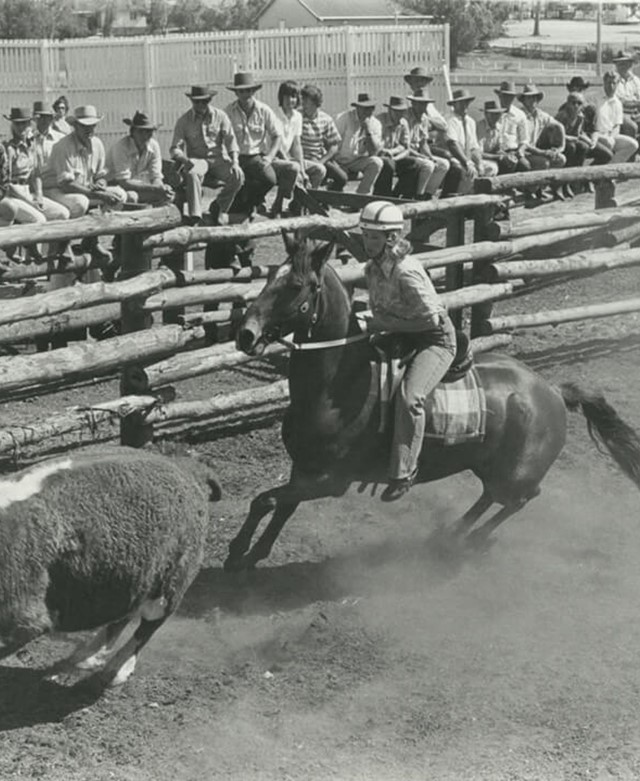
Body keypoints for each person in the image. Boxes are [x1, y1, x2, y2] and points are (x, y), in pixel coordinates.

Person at [359, 200, 456, 501]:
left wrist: (383, 325)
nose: (367, 242)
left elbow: (431, 320)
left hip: (433, 340)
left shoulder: (406, 271)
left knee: (410, 397)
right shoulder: (372, 269)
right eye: (365, 235)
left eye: (374, 237)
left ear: (391, 238)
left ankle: (405, 471)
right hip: (400, 334)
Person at [42, 105, 127, 260]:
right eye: (85, 126)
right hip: (54, 190)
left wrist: (101, 184)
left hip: (83, 189)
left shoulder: (97, 144)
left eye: (92, 125)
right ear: (75, 126)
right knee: (80, 202)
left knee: (120, 195)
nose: (89, 129)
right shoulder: (63, 146)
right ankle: (63, 243)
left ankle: (91, 241)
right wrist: (97, 194)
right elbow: (65, 184)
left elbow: (101, 175)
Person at [2, 106, 69, 260]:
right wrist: (29, 202)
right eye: (17, 124)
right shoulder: (8, 148)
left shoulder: (32, 145)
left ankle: (54, 253)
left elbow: (36, 174)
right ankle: (31, 251)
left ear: (30, 124)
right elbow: (7, 183)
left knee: (62, 213)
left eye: (25, 123)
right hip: (12, 194)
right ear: (12, 125)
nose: (21, 128)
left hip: (28, 191)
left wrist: (38, 195)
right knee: (38, 219)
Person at [170, 85, 243, 226]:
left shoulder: (220, 116)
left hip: (219, 159)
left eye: (204, 101)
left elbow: (231, 141)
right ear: (192, 101)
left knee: (238, 176)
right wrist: (185, 160)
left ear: (209, 100)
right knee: (192, 173)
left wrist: (235, 162)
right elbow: (175, 148)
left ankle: (219, 207)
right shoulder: (184, 121)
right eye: (196, 101)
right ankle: (195, 217)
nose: (200, 105)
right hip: (199, 161)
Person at [225, 71, 282, 216]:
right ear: (236, 93)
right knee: (235, 180)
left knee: (270, 179)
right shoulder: (228, 112)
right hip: (236, 157)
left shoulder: (264, 110)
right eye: (242, 91)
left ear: (254, 91)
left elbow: (277, 136)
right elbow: (222, 138)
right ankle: (239, 206)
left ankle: (249, 203)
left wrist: (269, 157)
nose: (246, 94)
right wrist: (230, 160)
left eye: (249, 90)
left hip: (257, 157)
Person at [107, 111, 174, 205]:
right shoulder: (121, 147)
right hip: (113, 188)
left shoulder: (154, 146)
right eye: (140, 131)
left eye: (149, 131)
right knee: (132, 197)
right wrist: (155, 188)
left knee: (167, 195)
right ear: (132, 132)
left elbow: (156, 176)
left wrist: (163, 188)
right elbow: (123, 182)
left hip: (136, 186)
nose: (145, 135)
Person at [518, 83, 566, 203]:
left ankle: (541, 187)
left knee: (560, 159)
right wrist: (543, 152)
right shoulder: (519, 115)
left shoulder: (540, 114)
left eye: (535, 97)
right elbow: (524, 144)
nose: (533, 100)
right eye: (529, 97)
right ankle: (530, 191)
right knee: (543, 162)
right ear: (524, 100)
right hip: (522, 152)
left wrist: (560, 147)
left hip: (535, 151)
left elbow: (559, 125)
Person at [445, 88, 498, 193]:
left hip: (467, 158)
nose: (465, 105)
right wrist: (467, 162)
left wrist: (479, 163)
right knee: (467, 172)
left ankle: (479, 194)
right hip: (454, 157)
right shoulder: (450, 120)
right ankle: (461, 195)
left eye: (467, 102)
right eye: (461, 103)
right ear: (454, 105)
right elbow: (453, 145)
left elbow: (474, 147)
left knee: (491, 168)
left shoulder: (470, 122)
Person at [401, 90, 450, 198]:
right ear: (413, 103)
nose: (422, 107)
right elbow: (405, 146)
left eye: (425, 104)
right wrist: (424, 157)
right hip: (404, 153)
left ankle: (428, 194)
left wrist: (430, 156)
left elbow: (423, 143)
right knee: (428, 165)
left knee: (443, 164)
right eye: (420, 104)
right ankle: (419, 195)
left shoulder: (424, 118)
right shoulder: (405, 118)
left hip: (416, 152)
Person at [332, 93, 384, 195]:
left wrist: (368, 131)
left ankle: (362, 195)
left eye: (371, 108)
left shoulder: (375, 124)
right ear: (357, 108)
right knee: (339, 179)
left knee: (377, 162)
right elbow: (331, 144)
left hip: (357, 161)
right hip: (338, 161)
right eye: (365, 108)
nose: (368, 111)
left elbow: (373, 152)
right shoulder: (343, 118)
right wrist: (336, 165)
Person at [271, 80, 306, 217]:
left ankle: (298, 204)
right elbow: (277, 145)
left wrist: (303, 169)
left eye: (293, 97)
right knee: (292, 168)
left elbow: (297, 144)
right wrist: (292, 163)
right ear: (281, 98)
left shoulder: (298, 117)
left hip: (288, 158)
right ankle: (278, 204)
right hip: (273, 158)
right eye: (286, 96)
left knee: (319, 170)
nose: (290, 100)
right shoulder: (274, 115)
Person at [299, 84, 341, 190]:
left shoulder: (325, 119)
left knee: (341, 178)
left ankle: (325, 195)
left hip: (317, 159)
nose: (303, 104)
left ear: (315, 103)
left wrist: (322, 160)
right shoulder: (297, 116)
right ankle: (310, 195)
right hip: (300, 159)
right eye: (302, 100)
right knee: (318, 171)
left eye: (306, 101)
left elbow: (334, 145)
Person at [596, 71, 639, 163]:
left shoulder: (618, 103)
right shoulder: (595, 99)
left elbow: (617, 125)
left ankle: (610, 168)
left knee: (633, 145)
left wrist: (612, 136)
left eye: (614, 83)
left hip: (611, 135)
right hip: (596, 135)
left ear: (617, 84)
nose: (611, 86)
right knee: (608, 143)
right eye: (608, 83)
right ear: (604, 83)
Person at [494, 80, 529, 171]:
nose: (507, 99)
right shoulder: (493, 113)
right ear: (499, 96)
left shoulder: (520, 115)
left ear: (513, 98)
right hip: (498, 152)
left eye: (510, 96)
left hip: (514, 151)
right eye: (504, 96)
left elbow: (524, 140)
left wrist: (520, 151)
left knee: (525, 166)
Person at [478, 100, 519, 175]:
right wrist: (498, 157)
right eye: (493, 114)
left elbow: (498, 148)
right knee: (492, 168)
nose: (496, 117)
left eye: (498, 114)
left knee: (510, 162)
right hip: (479, 159)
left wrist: (507, 156)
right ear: (486, 114)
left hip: (490, 157)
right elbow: (478, 154)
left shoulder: (498, 127)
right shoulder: (480, 128)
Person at [612, 50, 640, 141]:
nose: (622, 66)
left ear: (630, 64)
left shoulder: (636, 80)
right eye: (619, 63)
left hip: (635, 113)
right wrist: (635, 102)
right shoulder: (613, 80)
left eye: (625, 63)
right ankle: (631, 149)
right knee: (632, 127)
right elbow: (617, 101)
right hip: (619, 114)